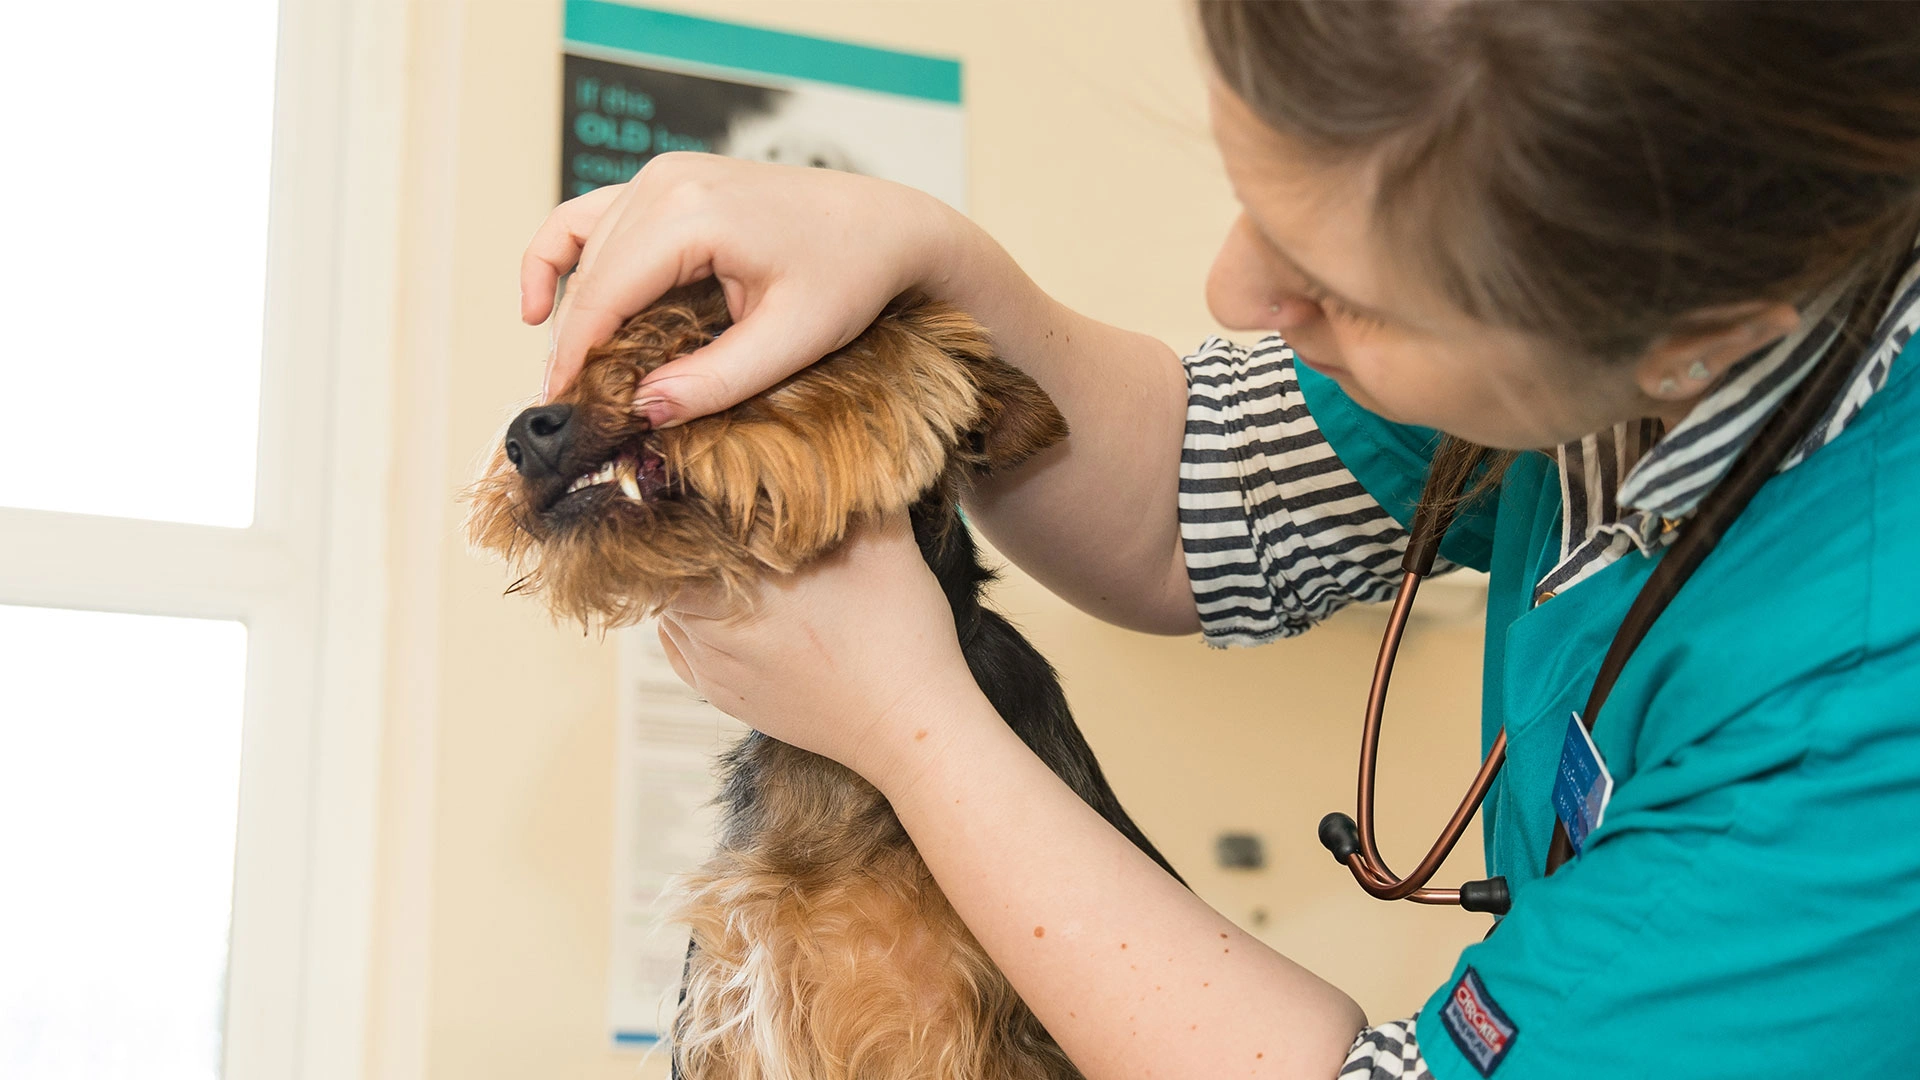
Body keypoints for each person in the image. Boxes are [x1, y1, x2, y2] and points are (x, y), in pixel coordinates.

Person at [519, 4, 1920, 1076]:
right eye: (1253, 194)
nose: (1234, 292)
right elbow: (1198, 497)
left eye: (1341, 291)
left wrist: (916, 728)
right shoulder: (1587, 312)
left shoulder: (1870, 707)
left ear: (1703, 340)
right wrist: (930, 258)